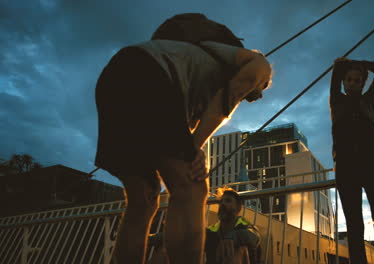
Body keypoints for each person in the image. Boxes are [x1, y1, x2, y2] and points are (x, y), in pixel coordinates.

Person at [94, 14, 272, 263]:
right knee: (191, 185)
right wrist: (194, 147)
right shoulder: (256, 62)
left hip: (115, 77)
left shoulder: (193, 73)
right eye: (263, 88)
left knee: (144, 199)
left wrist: (193, 146)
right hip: (151, 74)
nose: (258, 95)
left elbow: (181, 131)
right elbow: (244, 82)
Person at [329, 57, 374, 264]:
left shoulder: (368, 100)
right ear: (343, 81)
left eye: (357, 80)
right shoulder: (336, 100)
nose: (352, 83)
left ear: (363, 83)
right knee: (354, 225)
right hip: (346, 169)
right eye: (349, 79)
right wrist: (344, 65)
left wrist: (360, 63)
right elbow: (337, 69)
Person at [148, 187, 261, 264]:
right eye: (221, 202)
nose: (222, 204)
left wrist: (233, 237)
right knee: (165, 249)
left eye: (228, 201)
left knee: (238, 249)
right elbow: (183, 236)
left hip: (239, 257)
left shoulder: (246, 227)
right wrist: (148, 239)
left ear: (238, 208)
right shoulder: (212, 231)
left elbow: (255, 237)